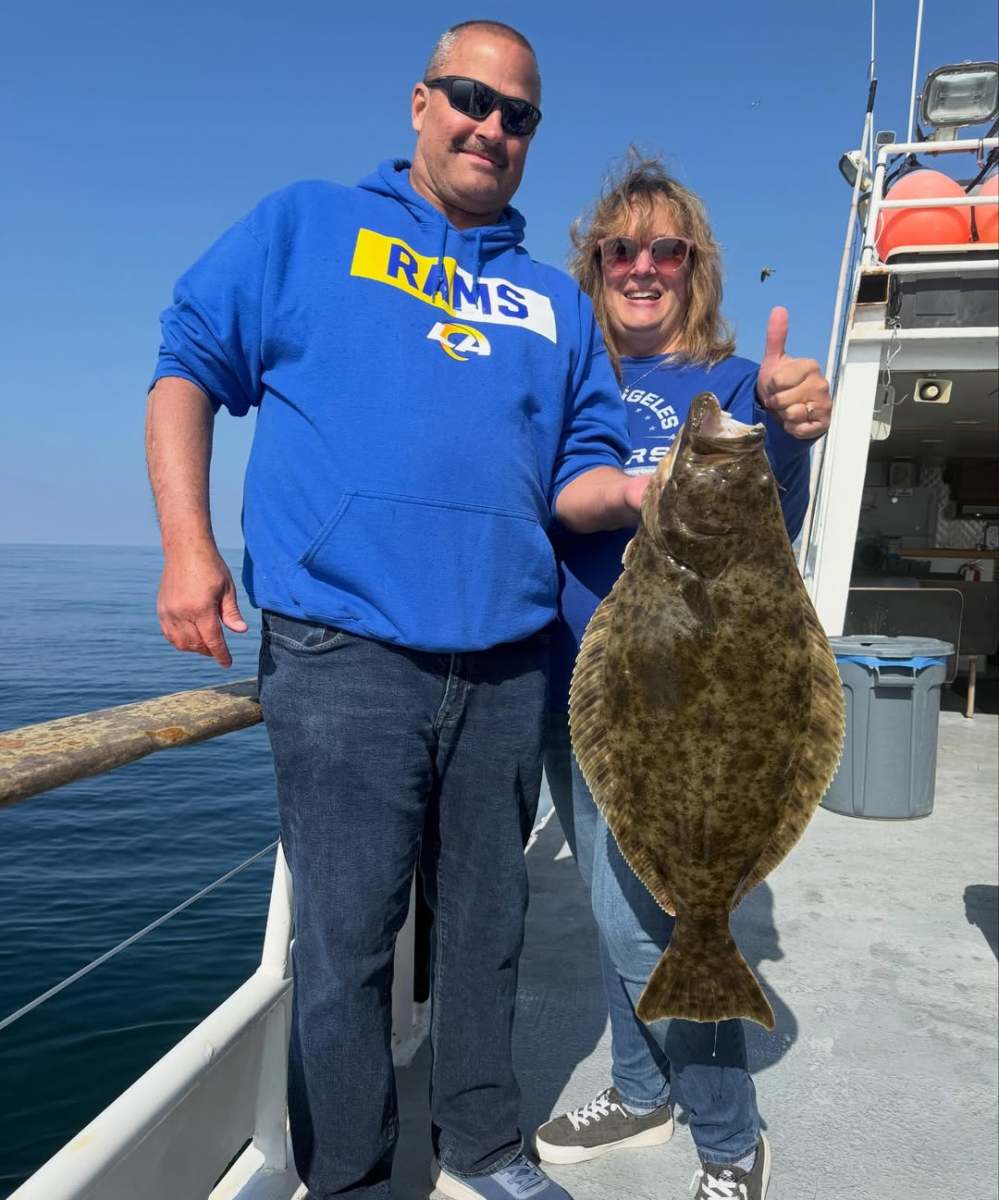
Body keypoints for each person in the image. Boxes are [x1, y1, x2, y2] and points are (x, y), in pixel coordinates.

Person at [145, 22, 651, 1200]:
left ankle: (482, 1146)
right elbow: (186, 366)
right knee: (346, 947)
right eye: (472, 98)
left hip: (508, 662)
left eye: (518, 113)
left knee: (489, 932)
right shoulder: (309, 224)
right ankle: (353, 1179)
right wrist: (188, 548)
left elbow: (578, 475)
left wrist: (636, 488)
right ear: (421, 103)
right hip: (342, 656)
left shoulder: (555, 304)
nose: (492, 126)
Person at [534, 155, 833, 1200]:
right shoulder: (570, 376)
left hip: (680, 700)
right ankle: (637, 1085)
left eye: (668, 248)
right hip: (578, 692)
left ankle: (728, 1138)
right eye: (624, 249)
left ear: (694, 266)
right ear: (598, 263)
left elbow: (776, 489)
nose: (644, 266)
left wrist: (791, 413)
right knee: (622, 907)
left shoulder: (737, 386)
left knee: (652, 923)